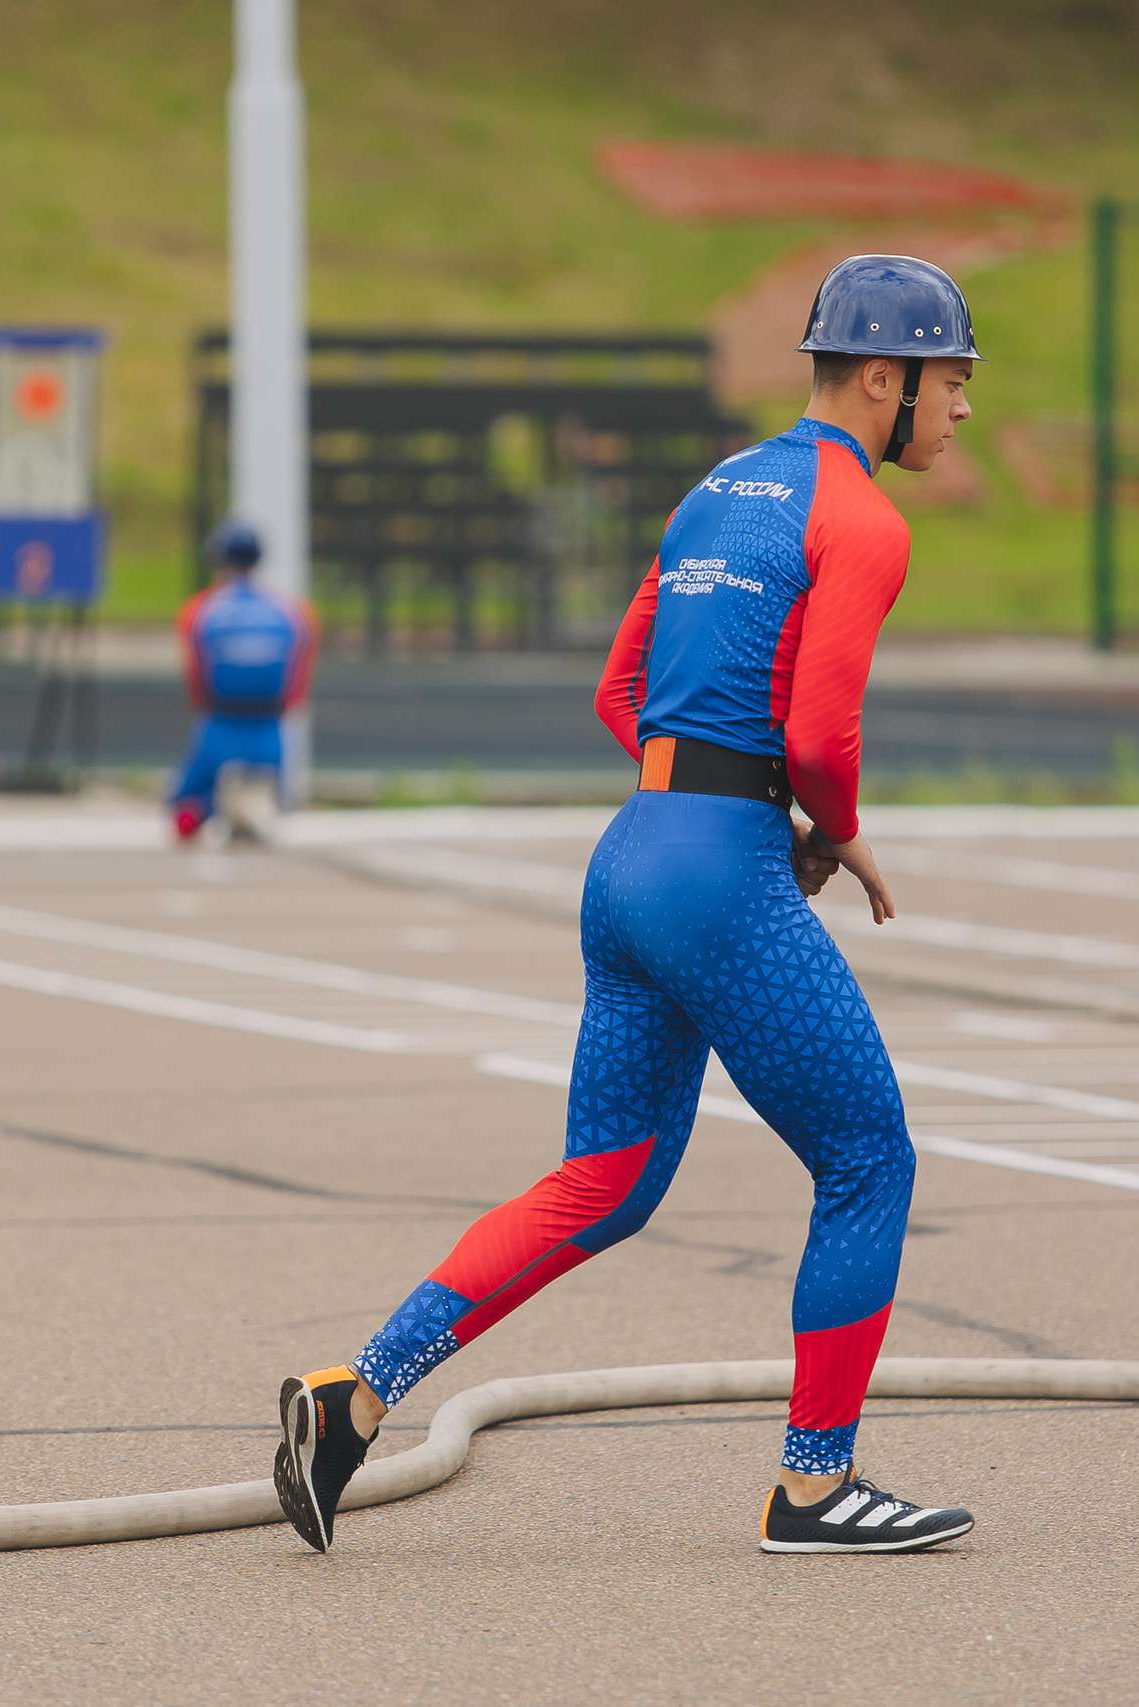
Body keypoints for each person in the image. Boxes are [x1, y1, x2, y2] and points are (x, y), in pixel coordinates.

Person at [274, 255, 982, 1555]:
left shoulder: (716, 489)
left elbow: (619, 690)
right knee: (870, 1159)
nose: (964, 406)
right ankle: (814, 1486)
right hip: (715, 873)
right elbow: (824, 732)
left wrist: (709, 804)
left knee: (604, 1175)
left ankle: (355, 1394)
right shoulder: (864, 521)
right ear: (883, 379)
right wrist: (835, 833)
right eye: (953, 380)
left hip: (634, 854)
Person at [166, 518, 317, 843]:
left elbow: (196, 677)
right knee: (275, 791)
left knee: (186, 806)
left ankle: (201, 812)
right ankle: (266, 804)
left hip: (219, 725)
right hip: (271, 730)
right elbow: (299, 680)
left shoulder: (201, 611)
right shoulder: (292, 612)